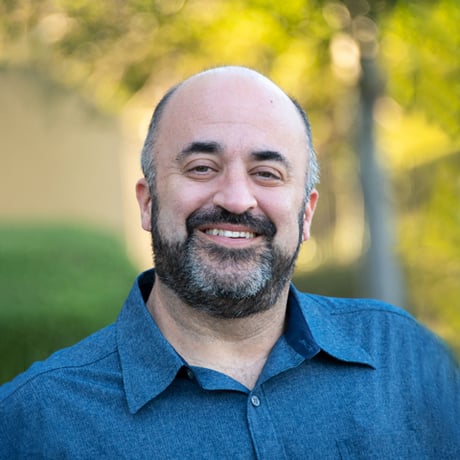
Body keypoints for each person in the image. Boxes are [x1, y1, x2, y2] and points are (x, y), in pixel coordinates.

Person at [0, 66, 458, 459]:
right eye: (202, 167)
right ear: (147, 203)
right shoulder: (36, 422)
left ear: (306, 214)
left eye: (267, 174)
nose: (237, 199)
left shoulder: (407, 359)